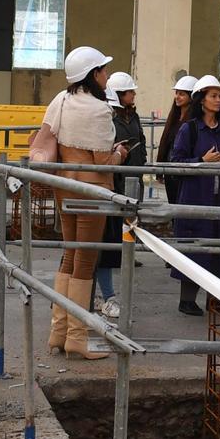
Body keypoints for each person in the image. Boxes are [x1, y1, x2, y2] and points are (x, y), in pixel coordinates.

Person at [41, 45, 127, 360]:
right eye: (103, 70)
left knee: (69, 255)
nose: (106, 75)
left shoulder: (60, 101)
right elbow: (105, 161)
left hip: (64, 187)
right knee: (85, 263)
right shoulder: (99, 110)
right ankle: (76, 338)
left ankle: (59, 331)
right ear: (93, 74)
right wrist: (121, 153)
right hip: (91, 191)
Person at [166, 76, 220, 316]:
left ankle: (216, 302)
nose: (218, 100)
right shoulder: (189, 129)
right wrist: (201, 162)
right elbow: (175, 162)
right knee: (195, 248)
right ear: (202, 99)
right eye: (213, 96)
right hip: (196, 198)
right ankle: (187, 300)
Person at [93, 73, 145, 317]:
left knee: (109, 245)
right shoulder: (106, 118)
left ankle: (96, 295)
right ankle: (101, 296)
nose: (133, 95)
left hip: (126, 184)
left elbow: (141, 144)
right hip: (108, 187)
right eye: (130, 91)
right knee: (99, 246)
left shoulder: (131, 117)